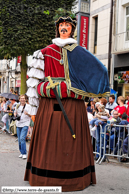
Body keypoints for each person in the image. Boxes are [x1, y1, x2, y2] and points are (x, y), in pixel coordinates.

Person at [24, 9, 109, 192]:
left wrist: (86, 88)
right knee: (51, 141)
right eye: (61, 26)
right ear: (57, 29)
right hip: (49, 106)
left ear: (72, 30)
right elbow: (34, 84)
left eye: (67, 26)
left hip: (74, 107)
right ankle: (44, 177)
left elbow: (100, 70)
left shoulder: (80, 53)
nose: (64, 28)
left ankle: (74, 179)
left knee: (71, 143)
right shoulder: (44, 53)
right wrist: (34, 109)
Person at [14, 95, 31, 159]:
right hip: (18, 124)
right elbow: (15, 113)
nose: (22, 100)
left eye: (23, 98)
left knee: (22, 138)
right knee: (19, 139)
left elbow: (31, 115)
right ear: (19, 99)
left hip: (25, 124)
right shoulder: (17, 106)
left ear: (25, 99)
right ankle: (21, 152)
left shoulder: (28, 106)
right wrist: (15, 114)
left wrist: (27, 114)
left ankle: (24, 153)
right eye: (21, 98)